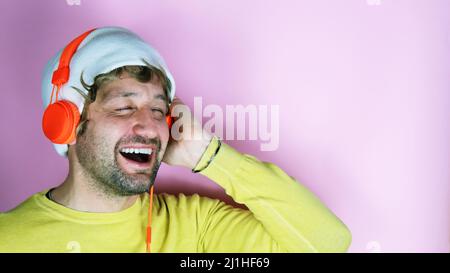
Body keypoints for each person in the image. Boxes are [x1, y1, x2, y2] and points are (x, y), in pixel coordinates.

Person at [0, 26, 351, 253]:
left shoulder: (197, 226)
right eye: (124, 107)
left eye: (158, 110)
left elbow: (327, 244)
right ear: (67, 123)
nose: (149, 126)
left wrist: (210, 156)